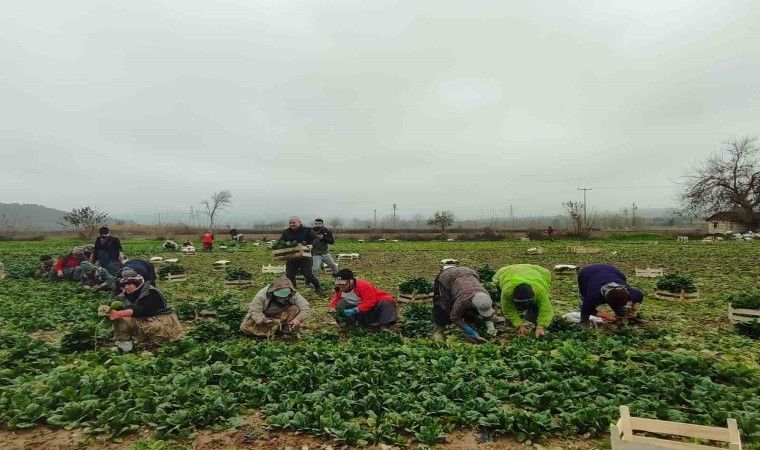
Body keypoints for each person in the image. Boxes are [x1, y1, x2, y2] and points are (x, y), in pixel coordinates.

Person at [107, 270, 182, 351]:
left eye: (129, 284)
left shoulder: (151, 291)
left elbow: (144, 309)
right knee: (121, 320)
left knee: (155, 327)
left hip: (160, 318)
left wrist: (121, 313)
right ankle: (125, 346)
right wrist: (107, 308)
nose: (126, 287)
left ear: (137, 284)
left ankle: (159, 347)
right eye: (124, 285)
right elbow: (114, 303)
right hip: (142, 318)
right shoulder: (125, 294)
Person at [432, 266, 496, 343]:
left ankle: (469, 331)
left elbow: (486, 308)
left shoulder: (486, 295)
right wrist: (470, 331)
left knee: (471, 312)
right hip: (447, 277)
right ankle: (438, 332)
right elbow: (454, 317)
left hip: (469, 273)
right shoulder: (463, 300)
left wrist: (490, 325)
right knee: (443, 306)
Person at [493, 264, 554, 337]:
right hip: (506, 272)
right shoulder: (507, 292)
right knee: (504, 304)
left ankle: (536, 326)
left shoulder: (540, 291)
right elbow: (508, 309)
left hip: (536, 271)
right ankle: (511, 323)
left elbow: (546, 309)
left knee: (536, 308)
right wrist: (519, 325)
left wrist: (541, 326)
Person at [240, 277, 312, 337]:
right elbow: (255, 310)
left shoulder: (294, 294)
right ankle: (273, 330)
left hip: (282, 316)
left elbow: (305, 308)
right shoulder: (261, 295)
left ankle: (285, 327)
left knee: (294, 309)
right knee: (245, 328)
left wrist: (297, 319)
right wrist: (265, 320)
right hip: (265, 317)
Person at [577, 264, 643, 327]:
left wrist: (633, 309)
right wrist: (605, 315)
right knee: (585, 303)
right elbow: (586, 309)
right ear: (604, 299)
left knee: (620, 308)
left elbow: (640, 295)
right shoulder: (593, 296)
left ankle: (620, 314)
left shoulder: (631, 292)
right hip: (587, 273)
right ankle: (583, 322)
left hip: (612, 270)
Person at [328, 269, 397, 327]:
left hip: (372, 308)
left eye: (343, 284)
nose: (341, 287)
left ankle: (384, 325)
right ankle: (348, 324)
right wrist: (332, 308)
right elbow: (335, 301)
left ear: (351, 281)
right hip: (359, 309)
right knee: (341, 303)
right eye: (339, 284)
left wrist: (355, 310)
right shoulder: (340, 289)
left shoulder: (363, 286)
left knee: (386, 303)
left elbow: (370, 302)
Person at [278, 216, 323, 295]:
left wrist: (312, 245)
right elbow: (281, 242)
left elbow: (316, 239)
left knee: (307, 274)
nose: (292, 224)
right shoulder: (286, 232)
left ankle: (318, 286)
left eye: (293, 222)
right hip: (291, 257)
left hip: (305, 257)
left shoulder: (307, 230)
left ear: (299, 222)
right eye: (290, 223)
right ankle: (294, 291)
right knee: (290, 274)